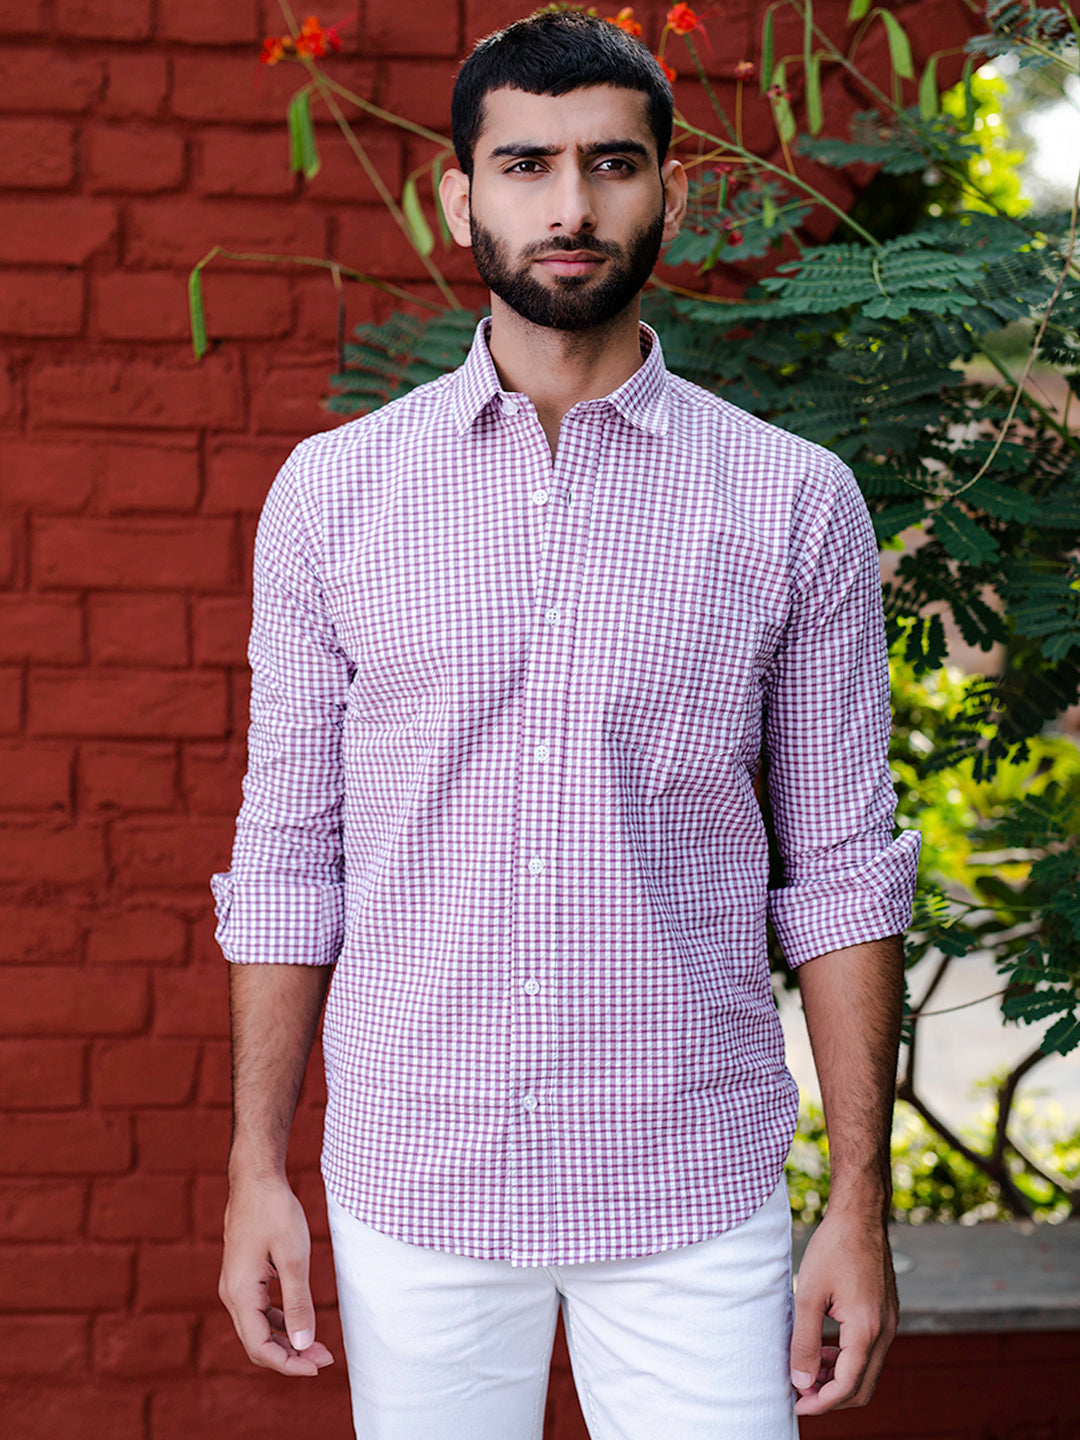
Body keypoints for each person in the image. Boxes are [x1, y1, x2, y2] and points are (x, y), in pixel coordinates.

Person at [213, 11, 920, 1439]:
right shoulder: (333, 497)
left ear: (671, 189)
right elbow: (288, 858)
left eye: (612, 162)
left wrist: (860, 1200)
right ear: (458, 197)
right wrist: (254, 1168)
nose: (571, 206)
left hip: (690, 1181)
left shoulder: (792, 501)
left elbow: (844, 871)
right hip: (417, 1176)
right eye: (526, 164)